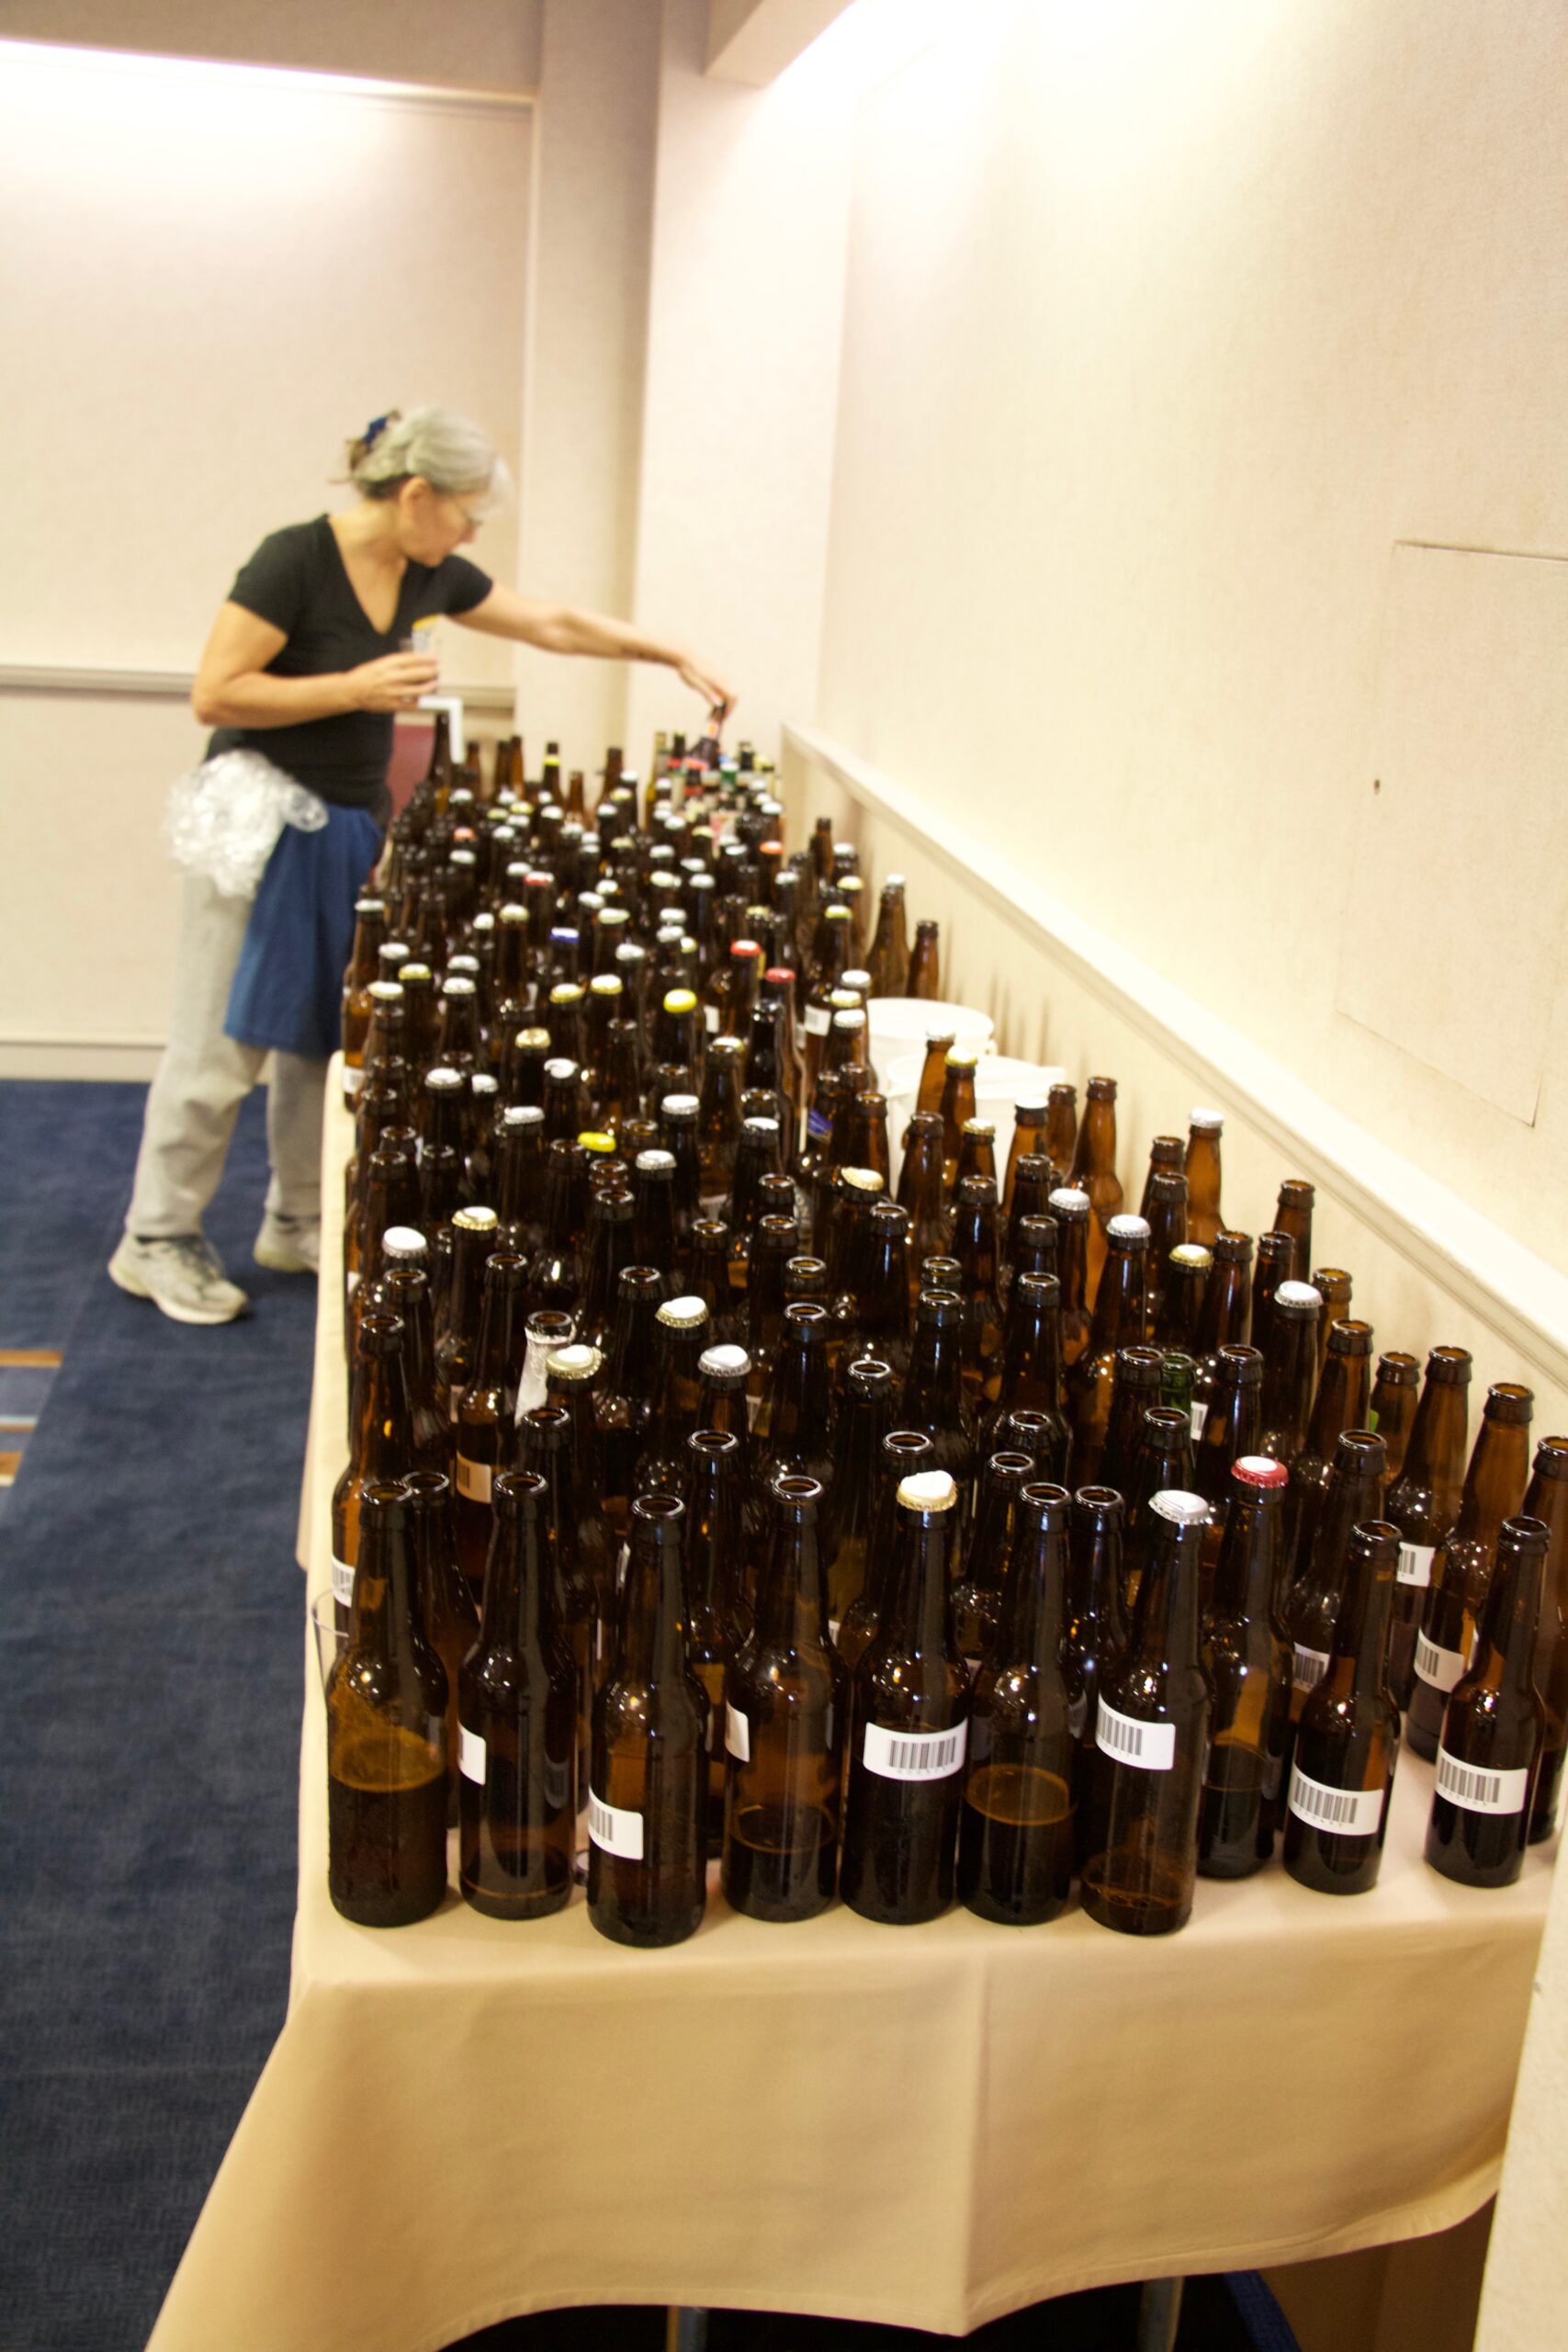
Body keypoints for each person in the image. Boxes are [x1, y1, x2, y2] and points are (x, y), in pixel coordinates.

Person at [109, 407, 733, 1328]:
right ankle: (155, 1239)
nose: (472, 537)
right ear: (415, 494)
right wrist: (354, 689)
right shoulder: (293, 560)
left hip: (341, 830)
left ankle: (297, 1219)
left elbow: (551, 622)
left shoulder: (425, 570)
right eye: (468, 516)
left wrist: (668, 651)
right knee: (217, 1050)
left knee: (318, 1042)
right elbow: (216, 693)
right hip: (256, 824)